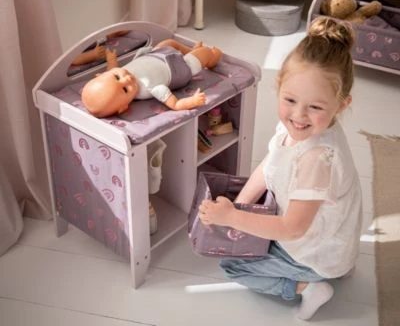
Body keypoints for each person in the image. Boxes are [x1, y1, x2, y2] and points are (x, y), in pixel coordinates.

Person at [198, 17, 362, 320]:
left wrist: (232, 217)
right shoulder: (299, 129)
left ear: (341, 105)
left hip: (312, 251)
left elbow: (292, 228)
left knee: (233, 266)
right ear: (279, 87)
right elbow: (270, 164)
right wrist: (240, 204)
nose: (299, 115)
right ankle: (336, 265)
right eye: (290, 100)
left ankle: (306, 286)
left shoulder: (316, 158)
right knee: (253, 227)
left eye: (315, 107)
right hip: (331, 238)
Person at [81, 38, 222, 117]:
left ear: (103, 74)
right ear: (124, 107)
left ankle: (191, 51)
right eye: (125, 89)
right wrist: (192, 101)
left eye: (117, 77)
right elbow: (174, 104)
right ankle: (213, 58)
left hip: (157, 54)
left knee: (169, 43)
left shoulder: (114, 72)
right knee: (205, 53)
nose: (126, 79)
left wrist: (111, 59)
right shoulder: (149, 88)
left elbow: (112, 68)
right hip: (179, 67)